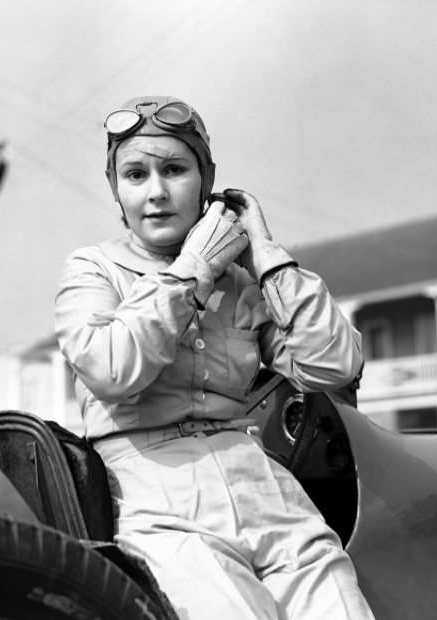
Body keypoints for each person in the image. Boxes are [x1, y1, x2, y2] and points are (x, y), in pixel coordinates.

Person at [54, 95, 375, 620]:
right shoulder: (93, 269)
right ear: (116, 189)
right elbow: (112, 369)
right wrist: (194, 268)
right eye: (135, 174)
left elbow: (334, 363)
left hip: (265, 489)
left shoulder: (245, 281)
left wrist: (266, 252)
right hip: (156, 499)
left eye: (175, 170)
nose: (156, 192)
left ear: (206, 181)